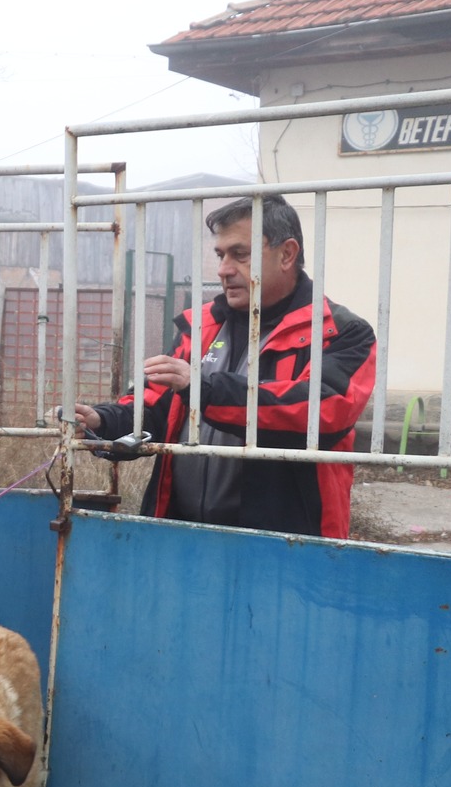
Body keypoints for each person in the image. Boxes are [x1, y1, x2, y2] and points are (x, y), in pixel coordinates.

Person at [72, 194, 375, 538]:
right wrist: (101, 422)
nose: (223, 269)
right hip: (182, 533)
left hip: (287, 545)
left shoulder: (340, 331)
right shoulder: (200, 327)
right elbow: (154, 407)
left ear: (287, 254)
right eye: (220, 255)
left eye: (240, 254)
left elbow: (324, 410)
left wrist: (203, 390)